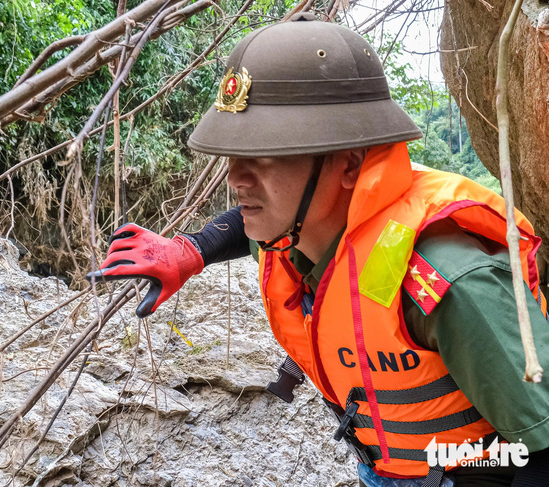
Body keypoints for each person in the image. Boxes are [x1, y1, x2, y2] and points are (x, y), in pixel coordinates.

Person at [87, 13, 549, 487]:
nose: (236, 179)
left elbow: (543, 447)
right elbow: (245, 228)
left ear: (349, 163)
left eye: (266, 155)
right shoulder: (300, 235)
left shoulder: (448, 281)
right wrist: (193, 250)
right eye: (234, 156)